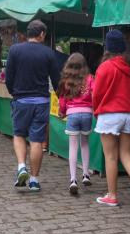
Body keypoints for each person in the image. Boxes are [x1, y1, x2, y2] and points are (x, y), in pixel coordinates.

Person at [92, 29, 130, 208]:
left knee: (111, 157)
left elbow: (97, 94)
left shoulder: (104, 67)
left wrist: (96, 111)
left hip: (109, 114)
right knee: (127, 154)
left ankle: (112, 195)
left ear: (107, 47)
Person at [5, 19, 61, 192]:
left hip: (21, 100)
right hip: (42, 102)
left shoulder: (14, 50)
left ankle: (22, 166)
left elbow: (9, 78)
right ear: (42, 34)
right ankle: (35, 180)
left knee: (19, 134)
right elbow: (56, 81)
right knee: (36, 140)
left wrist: (14, 93)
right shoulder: (49, 53)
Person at [58, 52, 94, 195]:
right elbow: (94, 94)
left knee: (72, 147)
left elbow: (62, 99)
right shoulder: (90, 79)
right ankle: (86, 174)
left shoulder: (66, 80)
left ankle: (73, 179)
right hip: (87, 114)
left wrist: (62, 111)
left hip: (72, 114)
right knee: (85, 143)